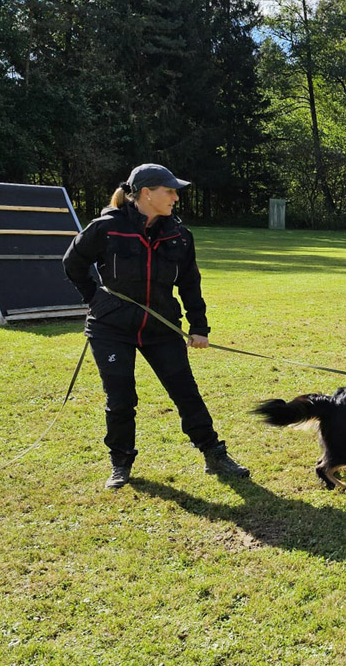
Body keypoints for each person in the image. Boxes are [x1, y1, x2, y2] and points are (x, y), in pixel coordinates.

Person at [63, 163, 250, 489]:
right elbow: (73, 262)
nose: (176, 197)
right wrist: (94, 298)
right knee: (121, 398)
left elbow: (190, 283)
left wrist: (199, 327)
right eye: (170, 191)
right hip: (111, 328)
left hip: (161, 328)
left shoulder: (178, 234)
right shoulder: (108, 227)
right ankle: (121, 463)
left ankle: (214, 454)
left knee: (185, 392)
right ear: (146, 193)